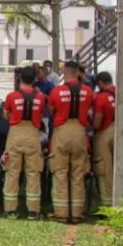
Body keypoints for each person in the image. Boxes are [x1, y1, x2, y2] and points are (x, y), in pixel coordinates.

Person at [47, 60, 93, 223]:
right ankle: (76, 212)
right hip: (80, 131)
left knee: (60, 172)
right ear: (78, 73)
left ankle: (61, 212)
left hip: (62, 130)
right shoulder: (88, 91)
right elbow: (89, 111)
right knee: (78, 173)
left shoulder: (56, 91)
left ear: (65, 72)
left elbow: (52, 111)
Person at [2, 65, 46, 219]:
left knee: (12, 172)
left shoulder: (12, 96)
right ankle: (33, 210)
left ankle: (10, 209)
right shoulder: (40, 97)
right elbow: (40, 116)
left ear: (20, 78)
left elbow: (6, 114)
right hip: (33, 135)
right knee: (33, 172)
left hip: (15, 134)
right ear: (34, 79)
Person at [90, 71, 117, 205]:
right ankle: (122, 199)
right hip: (120, 131)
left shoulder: (101, 97)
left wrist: (91, 122)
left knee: (104, 169)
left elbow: (97, 122)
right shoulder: (122, 92)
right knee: (119, 167)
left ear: (100, 83)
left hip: (104, 134)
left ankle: (107, 203)